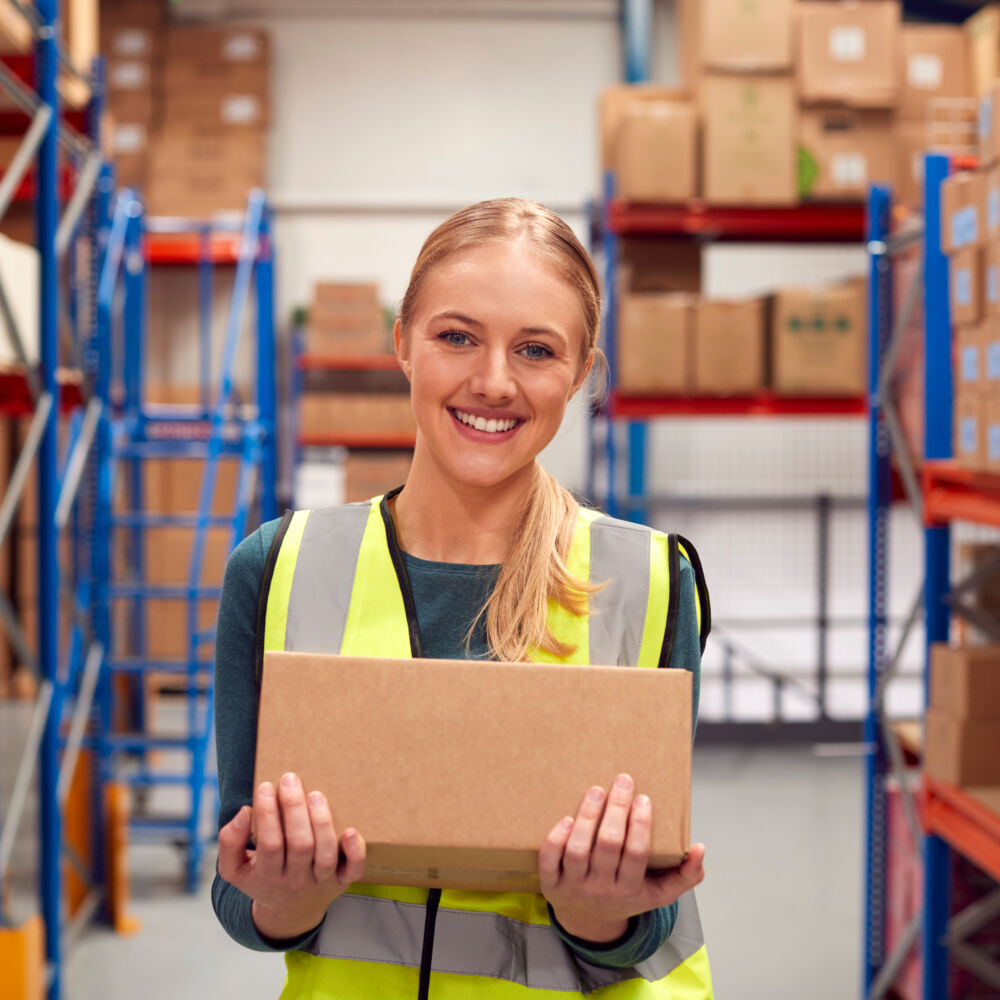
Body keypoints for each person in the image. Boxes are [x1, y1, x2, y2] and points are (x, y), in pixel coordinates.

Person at [212, 198, 713, 999]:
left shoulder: (649, 583)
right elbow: (240, 893)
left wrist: (597, 915)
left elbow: (652, 916)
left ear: (582, 374)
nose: (493, 382)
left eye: (537, 350)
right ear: (402, 341)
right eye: (456, 336)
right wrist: (287, 899)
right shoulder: (279, 568)